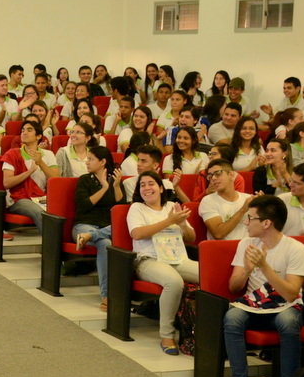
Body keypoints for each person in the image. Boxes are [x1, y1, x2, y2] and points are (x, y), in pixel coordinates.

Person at [223, 195, 304, 377]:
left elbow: (291, 294)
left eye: (250, 218)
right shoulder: (246, 244)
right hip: (254, 304)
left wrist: (265, 267)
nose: (245, 222)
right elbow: (234, 287)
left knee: (289, 322)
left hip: (284, 305)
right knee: (231, 318)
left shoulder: (296, 248)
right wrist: (248, 269)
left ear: (266, 223)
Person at [127, 171, 199, 354]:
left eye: (151, 184)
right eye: (142, 185)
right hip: (148, 260)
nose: (146, 188)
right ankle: (167, 335)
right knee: (174, 282)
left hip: (177, 258)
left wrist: (182, 224)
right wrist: (169, 221)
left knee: (209, 275)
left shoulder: (172, 207)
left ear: (160, 188)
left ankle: (207, 331)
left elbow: (191, 237)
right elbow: (137, 234)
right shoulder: (137, 208)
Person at [74, 146, 124, 311]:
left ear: (103, 162)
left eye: (91, 159)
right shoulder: (84, 180)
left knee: (112, 232)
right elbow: (84, 206)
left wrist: (115, 186)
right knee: (105, 243)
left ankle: (90, 235)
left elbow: (120, 208)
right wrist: (103, 188)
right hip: (83, 224)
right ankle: (106, 296)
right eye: (87, 159)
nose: (87, 162)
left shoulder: (114, 180)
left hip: (105, 227)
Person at [1, 120, 59, 232]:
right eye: (22, 130)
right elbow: (7, 183)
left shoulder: (48, 154)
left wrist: (40, 162)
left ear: (38, 136)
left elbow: (56, 180)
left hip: (41, 196)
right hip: (18, 198)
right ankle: (51, 247)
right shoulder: (12, 154)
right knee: (40, 213)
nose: (24, 133)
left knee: (61, 211)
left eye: (29, 130)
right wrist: (30, 171)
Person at [198, 158, 254, 240]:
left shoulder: (248, 198)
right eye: (210, 176)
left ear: (231, 175)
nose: (213, 178)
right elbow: (218, 234)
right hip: (224, 249)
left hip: (249, 248)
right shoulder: (208, 201)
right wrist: (243, 210)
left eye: (218, 173)